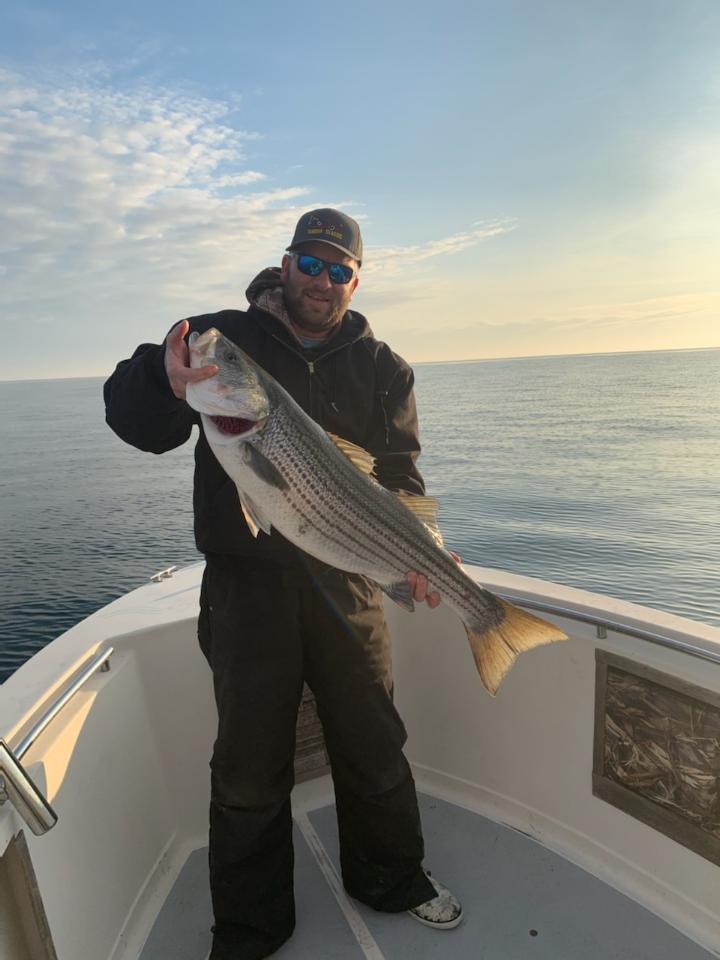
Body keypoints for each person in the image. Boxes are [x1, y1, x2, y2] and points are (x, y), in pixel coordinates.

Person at [104, 209, 462, 960]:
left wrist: (425, 555)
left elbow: (400, 479)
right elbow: (137, 419)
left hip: (354, 581)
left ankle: (393, 880)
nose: (322, 281)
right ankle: (250, 929)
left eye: (339, 270)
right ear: (286, 263)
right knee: (247, 764)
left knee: (374, 744)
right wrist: (163, 381)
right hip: (246, 588)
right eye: (311, 262)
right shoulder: (219, 341)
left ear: (356, 281)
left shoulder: (383, 367)